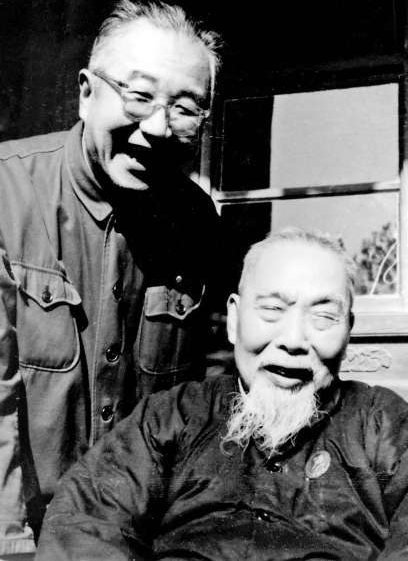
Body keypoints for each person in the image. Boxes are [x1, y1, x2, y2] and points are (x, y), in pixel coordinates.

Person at [0, 0, 222, 556]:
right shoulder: (6, 194)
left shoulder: (197, 223)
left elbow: (206, 402)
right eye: (139, 96)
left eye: (185, 108)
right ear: (86, 92)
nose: (157, 128)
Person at [36, 227, 408, 561]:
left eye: (324, 317)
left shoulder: (384, 427)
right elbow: (86, 522)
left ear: (348, 331)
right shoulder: (171, 418)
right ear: (234, 319)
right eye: (272, 310)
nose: (293, 340)